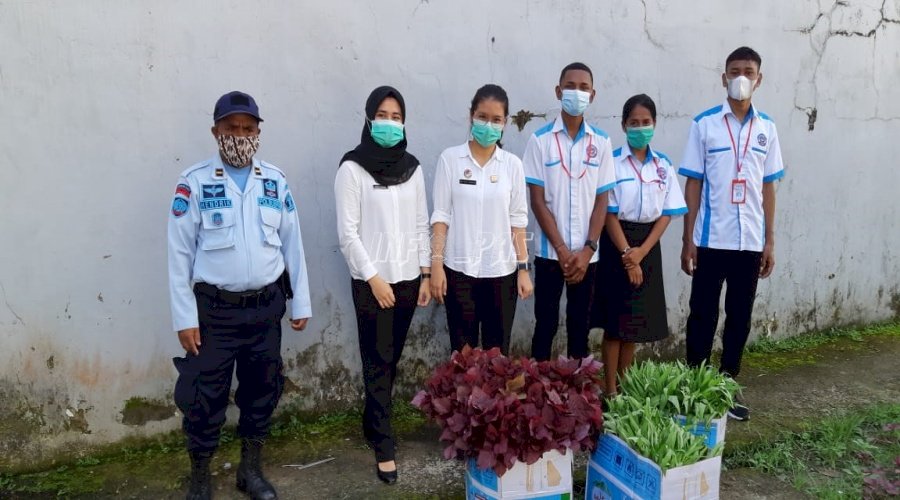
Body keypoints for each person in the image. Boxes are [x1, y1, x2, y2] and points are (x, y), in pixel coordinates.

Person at [168, 91, 312, 500]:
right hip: (214, 313)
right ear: (216, 132)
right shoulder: (193, 182)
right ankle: (200, 476)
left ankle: (250, 471)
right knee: (202, 397)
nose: (240, 136)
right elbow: (179, 254)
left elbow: (292, 244)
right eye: (231, 128)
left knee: (262, 391)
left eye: (248, 129)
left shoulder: (274, 180)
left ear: (258, 133)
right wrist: (184, 318)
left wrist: (299, 301)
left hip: (265, 310)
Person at [679, 46, 785, 421]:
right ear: (723, 77)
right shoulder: (704, 124)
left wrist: (770, 240)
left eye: (749, 71)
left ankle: (726, 388)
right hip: (710, 240)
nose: (742, 77)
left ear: (759, 78)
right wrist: (687, 237)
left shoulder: (767, 128)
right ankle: (695, 388)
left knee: (739, 317)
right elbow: (692, 183)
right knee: (702, 315)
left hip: (750, 242)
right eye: (735, 71)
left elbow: (768, 187)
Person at [334, 86, 431, 485]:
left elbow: (422, 223)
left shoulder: (413, 167)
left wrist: (425, 274)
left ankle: (373, 422)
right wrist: (373, 278)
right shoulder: (352, 168)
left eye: (397, 116)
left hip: (408, 281)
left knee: (390, 360)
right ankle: (385, 445)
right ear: (369, 118)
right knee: (376, 360)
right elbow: (348, 233)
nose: (390, 123)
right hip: (372, 283)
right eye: (383, 115)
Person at [591, 94, 687, 397]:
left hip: (647, 246)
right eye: (634, 122)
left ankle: (625, 388)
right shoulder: (613, 162)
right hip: (616, 244)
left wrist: (641, 253)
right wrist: (627, 255)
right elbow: (607, 211)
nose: (640, 128)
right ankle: (609, 392)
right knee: (615, 324)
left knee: (633, 327)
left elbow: (669, 212)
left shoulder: (663, 165)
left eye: (646, 123)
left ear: (655, 125)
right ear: (623, 125)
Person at [430, 84, 532, 355]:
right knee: (462, 353)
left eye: (496, 119)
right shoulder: (450, 160)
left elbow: (518, 220)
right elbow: (441, 216)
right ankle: (461, 400)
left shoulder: (512, 166)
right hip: (458, 270)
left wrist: (523, 269)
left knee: (496, 355)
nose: (489, 124)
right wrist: (436, 266)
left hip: (502, 273)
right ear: (471, 116)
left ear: (505, 123)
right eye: (483, 117)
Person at [524, 62, 616, 361]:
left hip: (587, 256)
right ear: (558, 91)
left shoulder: (601, 142)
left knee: (581, 327)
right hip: (551, 254)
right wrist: (563, 250)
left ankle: (578, 395)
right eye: (570, 86)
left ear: (593, 94)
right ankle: (539, 393)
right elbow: (537, 200)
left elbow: (602, 199)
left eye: (583, 87)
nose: (576, 92)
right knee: (546, 324)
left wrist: (588, 248)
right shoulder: (540, 140)